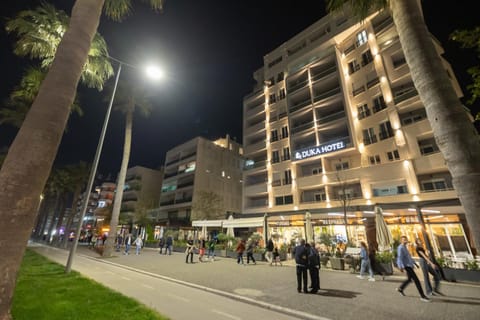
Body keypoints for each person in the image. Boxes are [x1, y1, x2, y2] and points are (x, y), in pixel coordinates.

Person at [396, 235, 430, 302]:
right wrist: (401, 267)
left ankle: (401, 288)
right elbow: (399, 257)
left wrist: (415, 263)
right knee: (416, 280)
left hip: (409, 265)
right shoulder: (400, 248)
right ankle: (422, 296)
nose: (405, 240)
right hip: (406, 266)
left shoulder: (405, 247)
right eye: (404, 239)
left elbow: (408, 257)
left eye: (406, 239)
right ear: (401, 241)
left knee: (409, 279)